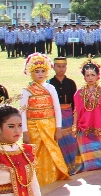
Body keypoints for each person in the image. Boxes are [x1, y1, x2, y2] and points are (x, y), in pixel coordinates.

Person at [20, 53, 70, 186]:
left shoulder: (51, 88)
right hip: (33, 127)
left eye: (43, 71)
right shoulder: (27, 90)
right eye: (37, 71)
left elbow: (57, 109)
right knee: (35, 152)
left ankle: (52, 176)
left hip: (49, 125)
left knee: (50, 151)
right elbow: (22, 112)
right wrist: (24, 131)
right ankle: (35, 180)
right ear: (31, 72)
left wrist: (58, 128)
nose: (40, 74)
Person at [69, 59, 101, 172]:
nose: (90, 78)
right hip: (83, 127)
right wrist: (74, 127)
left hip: (99, 126)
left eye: (93, 75)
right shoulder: (79, 93)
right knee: (86, 153)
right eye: (88, 75)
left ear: (97, 76)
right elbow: (76, 111)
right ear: (84, 77)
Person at [49, 56, 79, 175]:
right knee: (59, 141)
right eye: (58, 66)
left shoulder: (71, 83)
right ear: (54, 67)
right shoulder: (50, 84)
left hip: (69, 115)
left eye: (63, 66)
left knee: (72, 140)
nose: (61, 69)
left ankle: (73, 166)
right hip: (55, 116)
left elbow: (75, 102)